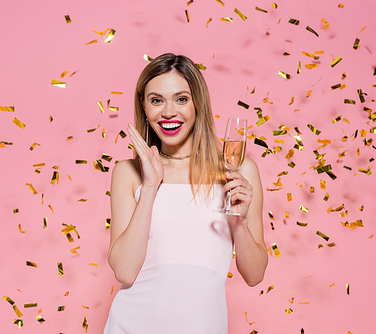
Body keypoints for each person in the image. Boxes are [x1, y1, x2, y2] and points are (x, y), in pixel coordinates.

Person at [103, 53, 267, 333]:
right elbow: (125, 271)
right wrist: (151, 186)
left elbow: (254, 275)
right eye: (156, 100)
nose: (168, 112)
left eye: (181, 99)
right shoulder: (128, 173)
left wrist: (238, 223)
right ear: (143, 107)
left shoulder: (237, 170)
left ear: (197, 105)